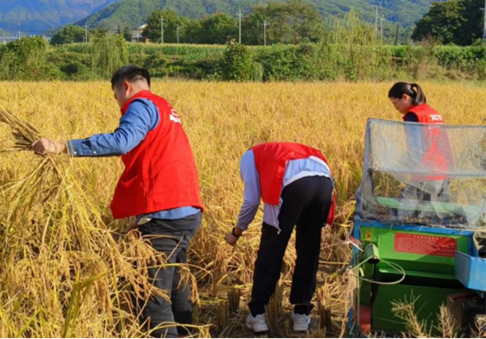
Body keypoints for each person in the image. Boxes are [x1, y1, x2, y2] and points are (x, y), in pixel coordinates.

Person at [33, 65, 204, 338]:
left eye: (116, 96)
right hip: (186, 209)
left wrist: (63, 146)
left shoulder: (141, 105)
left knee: (154, 298)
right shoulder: (164, 108)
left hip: (163, 210)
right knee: (175, 285)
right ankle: (188, 334)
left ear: (125, 87)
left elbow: (122, 141)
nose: (119, 104)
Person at [224, 142, 335, 334]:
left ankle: (257, 315)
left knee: (271, 251)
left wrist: (236, 232)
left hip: (292, 186)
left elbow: (251, 200)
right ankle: (301, 314)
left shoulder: (249, 157)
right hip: (324, 183)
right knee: (309, 251)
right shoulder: (277, 151)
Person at [388, 82, 451, 203]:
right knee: (439, 216)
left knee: (402, 211)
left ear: (405, 97)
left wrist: (403, 168)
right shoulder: (433, 113)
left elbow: (416, 150)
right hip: (444, 172)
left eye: (395, 103)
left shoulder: (413, 116)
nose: (395, 108)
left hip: (426, 173)